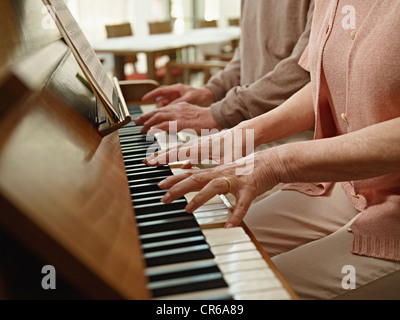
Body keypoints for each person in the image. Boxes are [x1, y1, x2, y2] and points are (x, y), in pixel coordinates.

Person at [143, 0, 400, 300]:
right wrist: (244, 134)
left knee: (242, 291)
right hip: (345, 186)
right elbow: (323, 79)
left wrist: (277, 162)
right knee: (201, 249)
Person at [135, 0, 315, 137]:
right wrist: (211, 91)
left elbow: (309, 67)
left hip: (296, 134)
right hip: (245, 124)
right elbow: (245, 54)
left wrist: (225, 112)